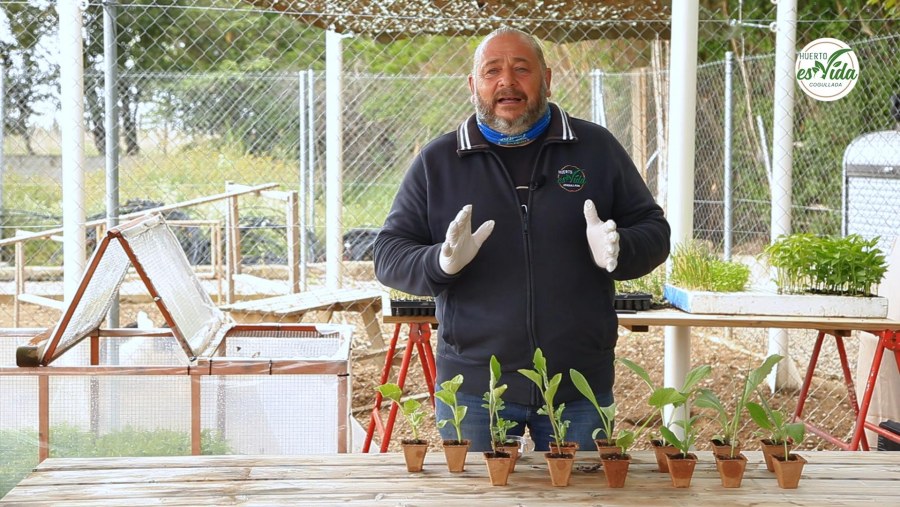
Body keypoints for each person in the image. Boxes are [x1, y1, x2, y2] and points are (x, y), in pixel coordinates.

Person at [373, 27, 670, 452]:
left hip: (578, 382)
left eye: (521, 69)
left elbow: (655, 230)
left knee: (583, 497)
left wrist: (619, 248)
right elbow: (388, 253)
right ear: (473, 84)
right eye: (492, 71)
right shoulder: (439, 162)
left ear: (547, 79)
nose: (506, 82)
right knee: (477, 497)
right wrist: (441, 263)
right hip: (476, 386)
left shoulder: (595, 149)